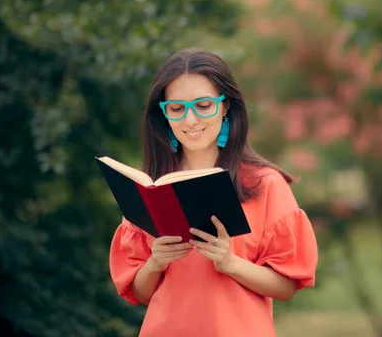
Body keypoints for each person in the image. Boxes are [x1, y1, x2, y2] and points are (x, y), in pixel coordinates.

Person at [108, 48, 318, 336]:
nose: (190, 120)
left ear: (226, 106)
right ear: (164, 113)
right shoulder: (151, 189)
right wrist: (156, 262)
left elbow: (286, 287)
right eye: (177, 108)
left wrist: (230, 263)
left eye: (203, 105)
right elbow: (142, 293)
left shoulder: (264, 184)